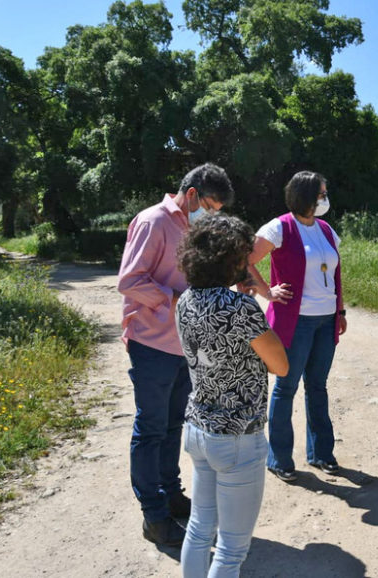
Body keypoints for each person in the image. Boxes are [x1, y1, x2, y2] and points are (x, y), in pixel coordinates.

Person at [118, 163, 234, 546]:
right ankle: (153, 515)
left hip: (184, 345)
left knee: (173, 427)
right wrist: (177, 301)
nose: (212, 215)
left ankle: (170, 494)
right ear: (191, 195)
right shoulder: (153, 221)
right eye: (211, 206)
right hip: (152, 343)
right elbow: (130, 281)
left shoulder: (195, 228)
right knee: (151, 429)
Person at [175, 214, 289, 577]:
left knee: (198, 529)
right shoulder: (239, 307)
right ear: (232, 258)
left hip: (198, 428)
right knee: (232, 548)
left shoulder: (185, 300)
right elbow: (281, 365)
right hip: (238, 436)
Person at [248, 171, 347, 483]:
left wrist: (340, 310)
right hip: (295, 322)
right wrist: (267, 291)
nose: (325, 199)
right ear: (304, 196)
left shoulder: (327, 229)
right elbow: (246, 261)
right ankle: (278, 458)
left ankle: (321, 454)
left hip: (326, 320)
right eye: (320, 194)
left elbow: (334, 274)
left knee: (317, 386)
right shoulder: (279, 227)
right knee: (286, 388)